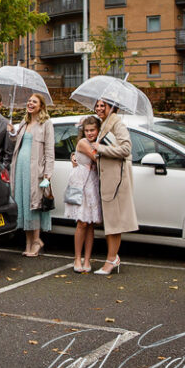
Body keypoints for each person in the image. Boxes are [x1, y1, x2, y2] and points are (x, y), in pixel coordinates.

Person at [91, 99, 138, 275]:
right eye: (97, 105)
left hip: (116, 179)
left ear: (112, 108)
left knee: (114, 222)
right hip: (107, 178)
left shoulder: (117, 124)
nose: (99, 108)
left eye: (103, 105)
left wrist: (101, 149)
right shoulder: (104, 124)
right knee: (110, 221)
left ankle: (112, 259)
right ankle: (112, 258)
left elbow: (126, 149)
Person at [8, 93, 55, 257]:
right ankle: (28, 243)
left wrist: (48, 175)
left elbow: (50, 152)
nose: (30, 103)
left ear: (41, 106)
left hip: (36, 172)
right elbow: (18, 144)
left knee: (34, 205)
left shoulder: (46, 124)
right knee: (24, 204)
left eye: (34, 102)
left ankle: (36, 241)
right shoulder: (24, 122)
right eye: (28, 101)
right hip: (20, 170)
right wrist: (12, 133)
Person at [64, 115, 102, 273]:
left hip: (92, 183)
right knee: (81, 223)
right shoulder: (83, 143)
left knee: (90, 223)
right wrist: (100, 146)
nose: (90, 133)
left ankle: (87, 260)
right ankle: (77, 258)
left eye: (93, 130)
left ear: (98, 130)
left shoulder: (96, 142)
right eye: (86, 130)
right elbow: (96, 157)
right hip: (81, 183)